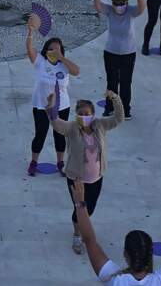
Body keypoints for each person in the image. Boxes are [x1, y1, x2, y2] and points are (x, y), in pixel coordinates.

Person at [50, 92, 124, 254]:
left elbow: (119, 118)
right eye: (80, 114)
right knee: (79, 208)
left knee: (90, 209)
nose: (83, 117)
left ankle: (83, 228)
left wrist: (115, 99)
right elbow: (55, 123)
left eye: (87, 114)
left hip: (96, 178)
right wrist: (51, 107)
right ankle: (77, 235)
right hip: (76, 178)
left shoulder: (100, 126)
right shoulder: (71, 128)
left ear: (93, 114)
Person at [26, 22, 81, 177]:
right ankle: (34, 162)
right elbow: (30, 50)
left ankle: (60, 162)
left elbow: (77, 71)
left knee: (60, 135)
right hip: (41, 106)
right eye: (51, 49)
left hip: (61, 106)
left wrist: (61, 58)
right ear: (46, 50)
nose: (54, 51)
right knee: (40, 134)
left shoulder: (64, 65)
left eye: (57, 49)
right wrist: (30, 32)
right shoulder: (40, 63)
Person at [92, 0, 145, 119]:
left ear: (126, 3)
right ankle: (109, 108)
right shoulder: (109, 10)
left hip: (129, 54)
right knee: (112, 82)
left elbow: (141, 8)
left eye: (121, 4)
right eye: (116, 3)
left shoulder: (130, 12)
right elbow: (97, 6)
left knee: (126, 83)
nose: (118, 6)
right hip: (111, 53)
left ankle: (125, 110)